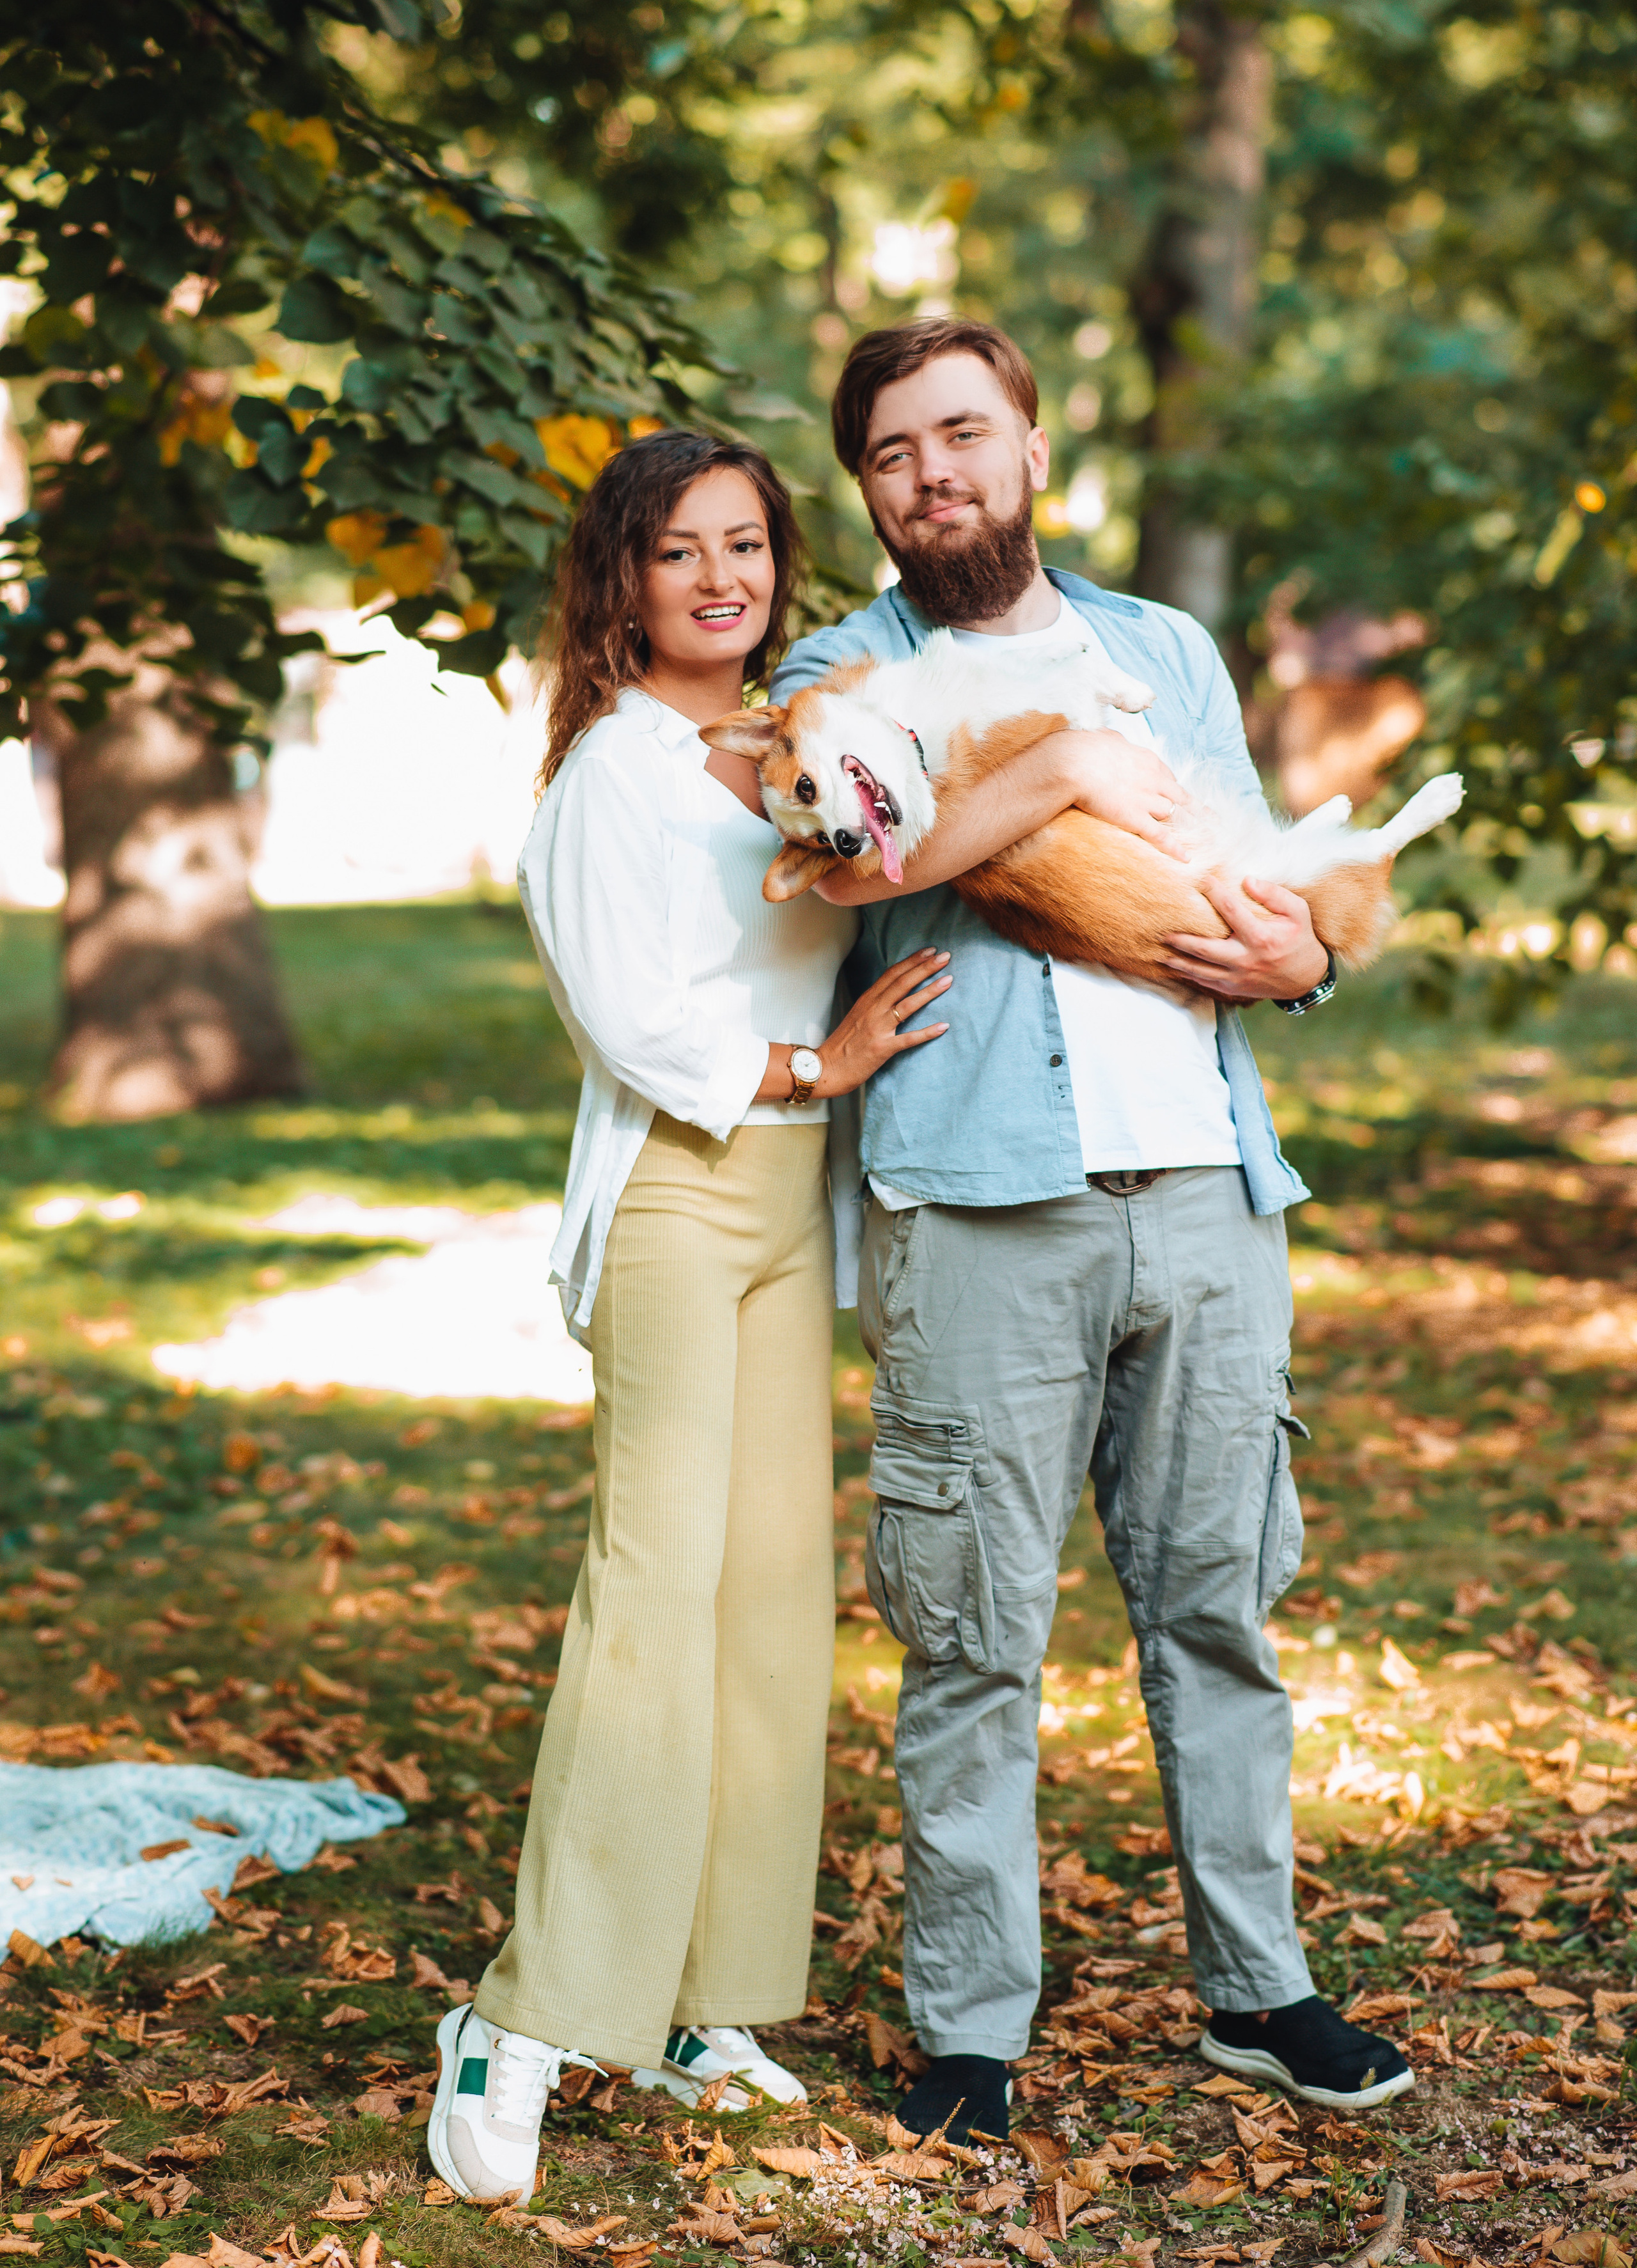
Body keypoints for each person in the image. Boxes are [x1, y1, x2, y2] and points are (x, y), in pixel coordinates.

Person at [768, 317, 1414, 2134]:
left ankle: (1260, 1989)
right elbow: (854, 851)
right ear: (871, 489)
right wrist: (1045, 781)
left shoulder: (1162, 648)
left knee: (1220, 1608)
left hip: (1207, 1188)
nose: (934, 476)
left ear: (1033, 449)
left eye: (964, 434)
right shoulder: (845, 673)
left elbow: (1250, 869)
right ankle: (972, 2028)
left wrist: (1309, 960)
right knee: (973, 1633)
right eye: (895, 453)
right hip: (981, 1207)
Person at [426, 429, 955, 2202]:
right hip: (673, 1185)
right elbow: (631, 1020)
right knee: (651, 1594)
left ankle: (692, 2002)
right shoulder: (609, 779)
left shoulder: (799, 750)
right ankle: (523, 2011)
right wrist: (824, 1060)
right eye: (679, 551)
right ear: (622, 582)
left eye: (745, 544)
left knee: (766, 1604)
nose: (719, 576)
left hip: (791, 1204)